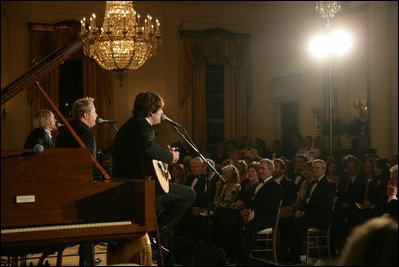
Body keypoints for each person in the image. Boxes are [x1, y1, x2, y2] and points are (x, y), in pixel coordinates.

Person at [112, 91, 196, 266]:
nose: (162, 114)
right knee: (189, 194)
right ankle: (159, 232)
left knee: (169, 206)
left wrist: (161, 167)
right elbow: (148, 148)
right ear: (151, 111)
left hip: (131, 187)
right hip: (139, 190)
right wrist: (170, 156)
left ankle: (163, 244)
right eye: (160, 110)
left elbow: (144, 156)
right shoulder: (142, 126)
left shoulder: (132, 125)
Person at [55, 97, 101, 265]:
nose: (97, 115)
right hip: (80, 187)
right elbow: (89, 163)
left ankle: (86, 254)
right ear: (85, 115)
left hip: (63, 185)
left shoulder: (66, 131)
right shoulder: (85, 132)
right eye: (94, 111)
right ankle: (87, 257)